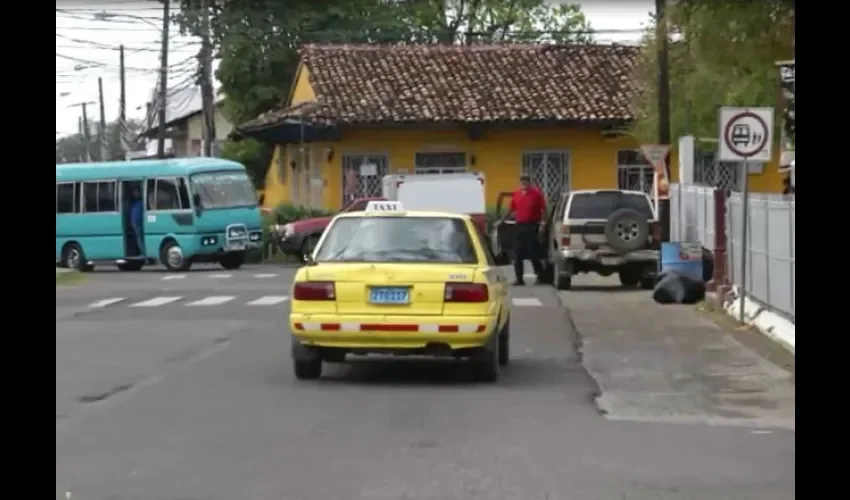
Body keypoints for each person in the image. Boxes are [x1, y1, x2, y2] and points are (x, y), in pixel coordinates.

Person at [500, 175, 546, 285]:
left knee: (532, 251)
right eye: (522, 181)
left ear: (529, 182)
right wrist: (501, 220)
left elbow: (543, 209)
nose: (524, 183)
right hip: (520, 225)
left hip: (532, 225)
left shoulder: (536, 194)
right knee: (518, 253)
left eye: (526, 181)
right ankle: (519, 279)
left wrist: (543, 223)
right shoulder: (516, 194)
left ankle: (541, 275)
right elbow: (511, 209)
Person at [129, 187, 145, 256]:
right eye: (134, 192)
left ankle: (143, 253)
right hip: (134, 223)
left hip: (139, 223)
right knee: (138, 238)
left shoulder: (142, 202)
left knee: (140, 238)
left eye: (136, 192)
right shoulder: (133, 202)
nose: (135, 194)